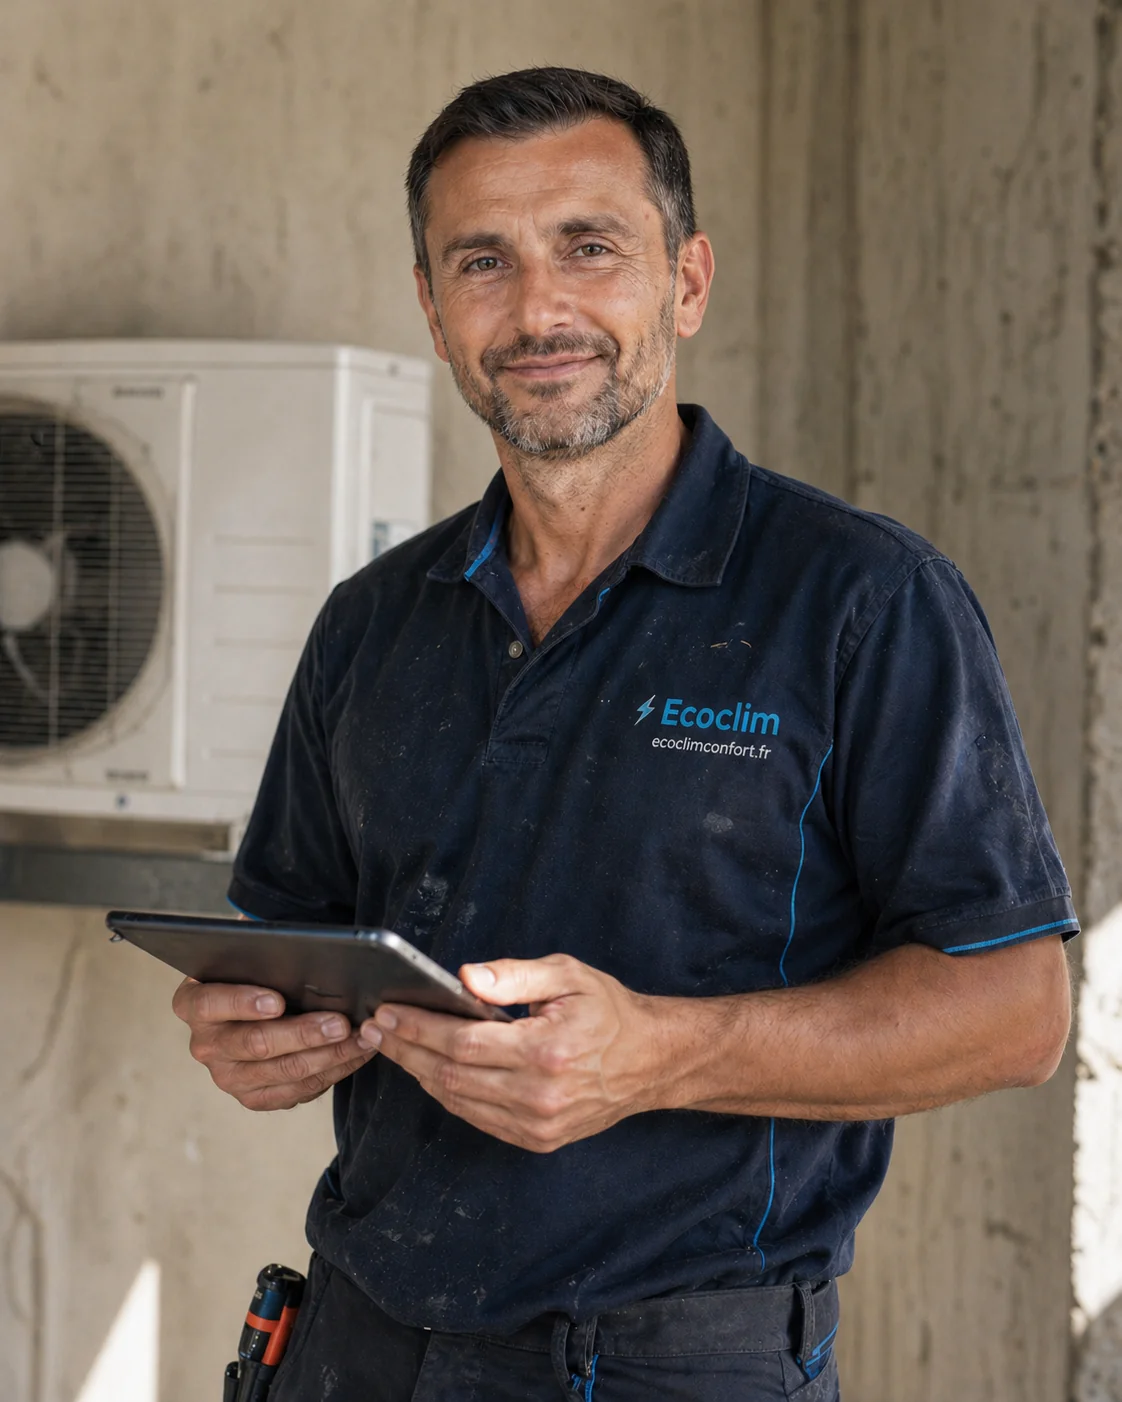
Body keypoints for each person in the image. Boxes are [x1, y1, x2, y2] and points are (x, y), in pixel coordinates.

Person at [173, 68, 1077, 1401]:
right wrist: (248, 1029)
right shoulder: (372, 622)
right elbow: (288, 944)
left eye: (589, 247)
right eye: (482, 261)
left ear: (686, 281)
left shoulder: (858, 599)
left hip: (666, 1365)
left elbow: (1015, 1012)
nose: (539, 309)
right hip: (356, 1346)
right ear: (430, 307)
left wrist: (659, 1051)